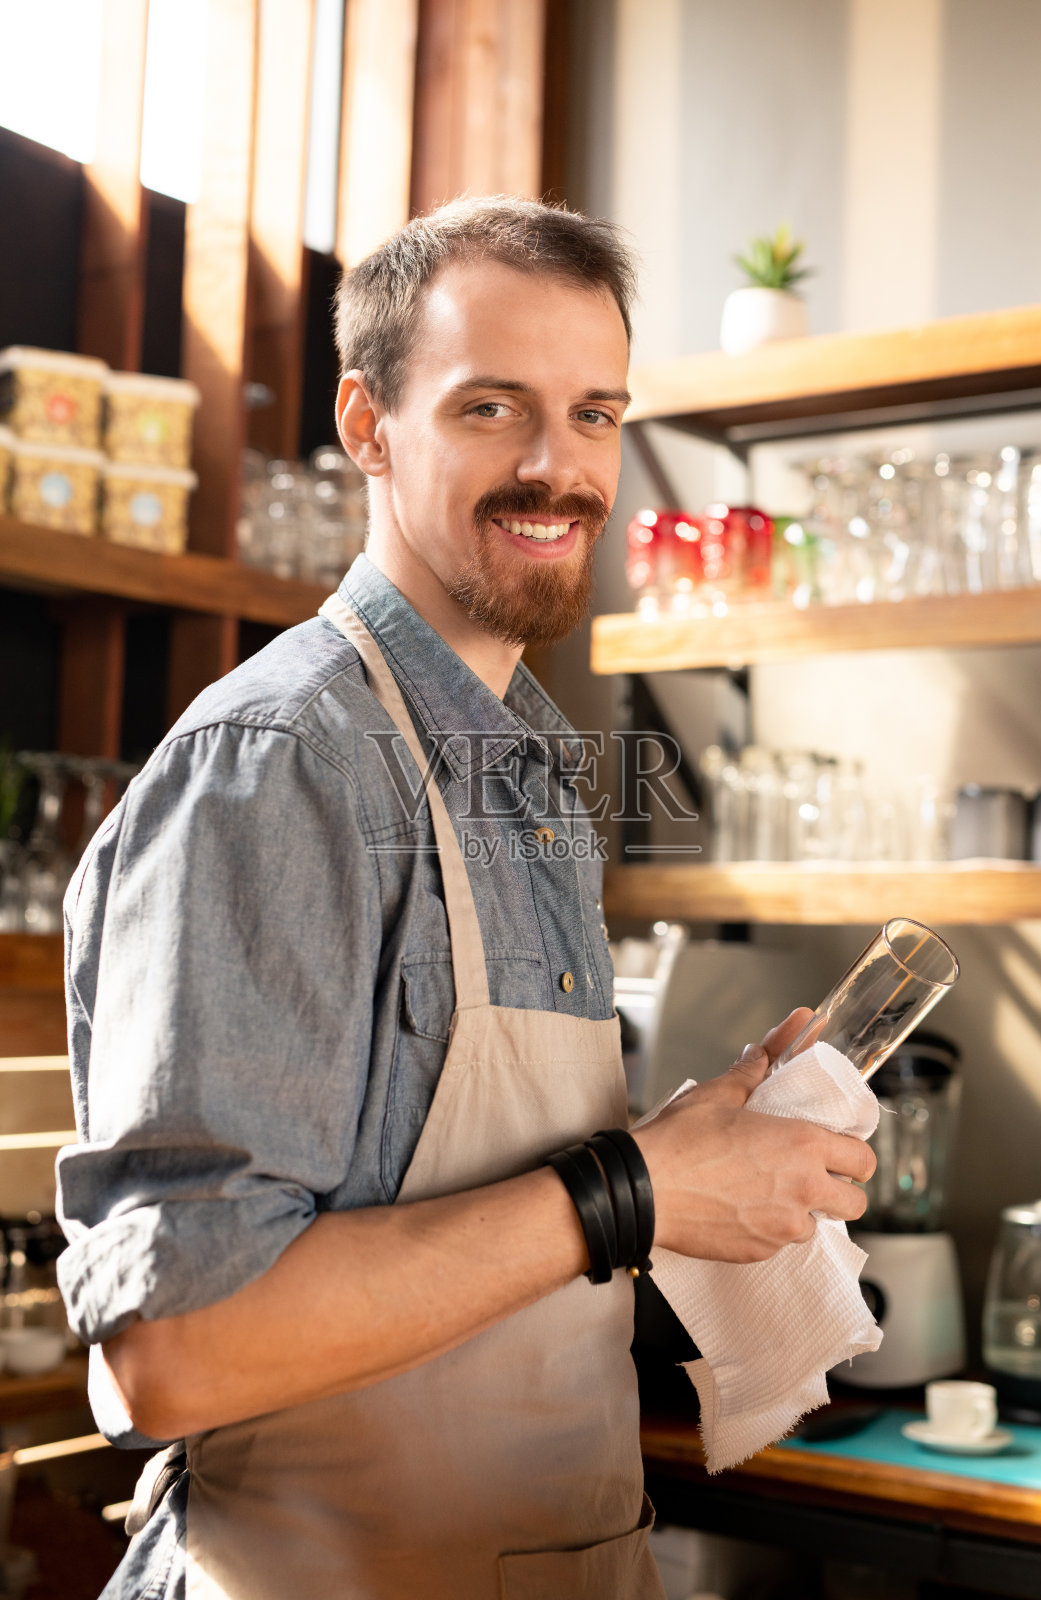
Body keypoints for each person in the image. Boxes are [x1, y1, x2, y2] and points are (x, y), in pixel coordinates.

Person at [57, 197, 875, 1600]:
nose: (559, 469)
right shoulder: (283, 765)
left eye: (595, 414)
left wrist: (687, 1165)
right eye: (493, 408)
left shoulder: (530, 770)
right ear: (367, 424)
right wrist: (635, 1189)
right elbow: (173, 1354)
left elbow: (493, 1215)